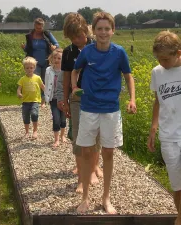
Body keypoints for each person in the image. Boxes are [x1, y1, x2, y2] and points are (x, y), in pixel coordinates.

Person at [71, 12, 136, 214]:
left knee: (108, 152)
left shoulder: (119, 52)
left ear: (113, 30)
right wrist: (74, 88)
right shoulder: (87, 52)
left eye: (107, 28)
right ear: (94, 30)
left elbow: (128, 76)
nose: (103, 32)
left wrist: (132, 99)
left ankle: (106, 198)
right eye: (99, 28)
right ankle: (85, 198)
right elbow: (75, 71)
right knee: (86, 151)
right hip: (88, 108)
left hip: (111, 110)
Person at [55, 13, 102, 193]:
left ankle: (94, 167)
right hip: (77, 97)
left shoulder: (97, 46)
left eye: (80, 35)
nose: (77, 40)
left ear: (86, 29)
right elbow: (66, 77)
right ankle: (83, 174)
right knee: (79, 136)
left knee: (95, 134)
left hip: (96, 97)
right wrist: (64, 99)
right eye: (73, 37)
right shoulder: (68, 52)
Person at [147, 31, 181, 225]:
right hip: (168, 136)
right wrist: (153, 129)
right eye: (159, 59)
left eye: (166, 59)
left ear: (178, 53)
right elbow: (158, 101)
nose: (162, 63)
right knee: (177, 185)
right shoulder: (157, 72)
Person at [21, 18, 59, 108]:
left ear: (43, 26)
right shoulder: (30, 36)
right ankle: (35, 100)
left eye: (41, 28)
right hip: (34, 63)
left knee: (45, 80)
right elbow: (28, 48)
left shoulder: (47, 34)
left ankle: (43, 100)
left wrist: (54, 48)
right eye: (37, 28)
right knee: (36, 81)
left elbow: (56, 44)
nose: (39, 30)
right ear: (34, 26)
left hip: (46, 61)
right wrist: (24, 48)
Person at [17, 56, 45, 139]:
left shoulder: (37, 78)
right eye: (27, 68)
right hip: (25, 101)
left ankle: (35, 131)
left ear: (34, 68)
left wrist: (49, 92)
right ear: (24, 69)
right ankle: (26, 132)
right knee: (25, 116)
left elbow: (43, 87)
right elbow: (19, 89)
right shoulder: (22, 79)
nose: (29, 69)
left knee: (34, 114)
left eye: (31, 68)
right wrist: (19, 93)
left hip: (35, 100)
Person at [44, 48, 66, 147]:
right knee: (56, 119)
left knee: (63, 119)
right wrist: (46, 97)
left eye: (59, 58)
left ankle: (62, 135)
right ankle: (56, 139)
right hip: (53, 99)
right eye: (55, 58)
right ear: (52, 59)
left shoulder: (66, 70)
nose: (57, 60)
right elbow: (47, 84)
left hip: (64, 99)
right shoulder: (48, 70)